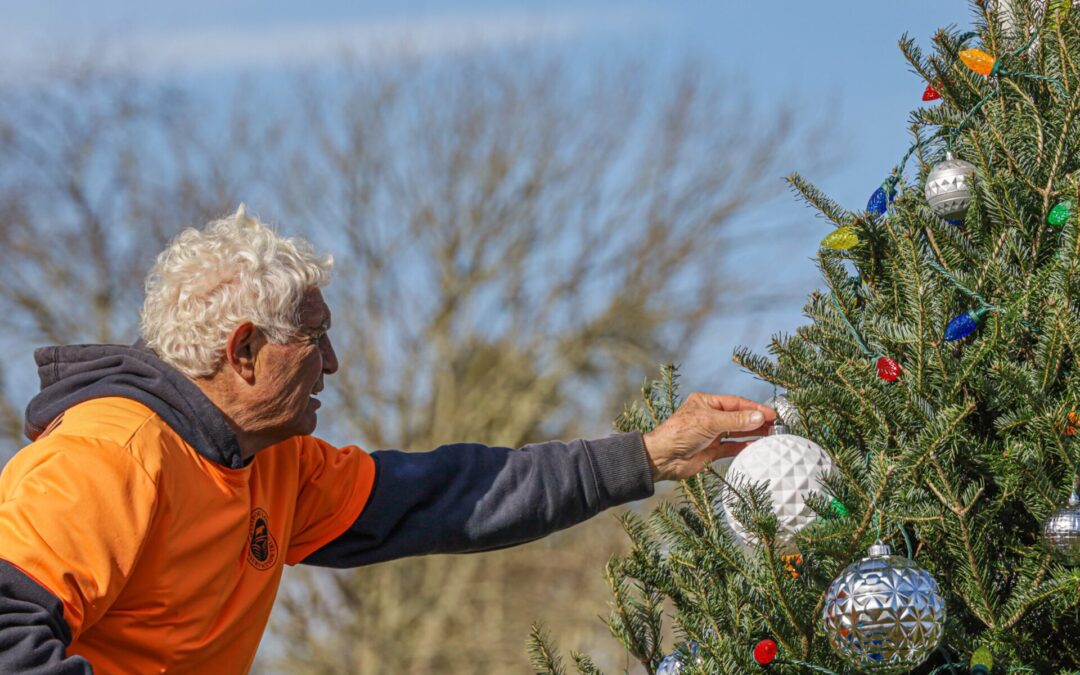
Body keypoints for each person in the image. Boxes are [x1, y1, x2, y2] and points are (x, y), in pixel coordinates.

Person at [0, 206, 775, 673]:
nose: (332, 363)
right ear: (243, 352)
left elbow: (458, 495)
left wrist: (650, 454)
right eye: (314, 339)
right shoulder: (110, 455)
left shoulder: (277, 467)